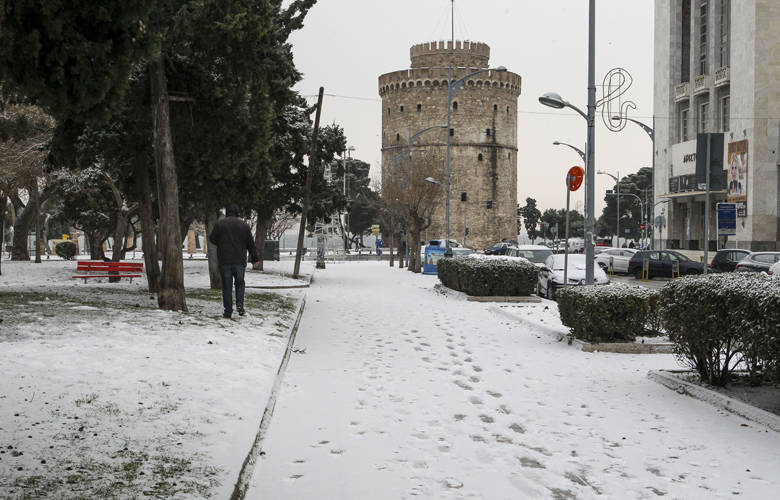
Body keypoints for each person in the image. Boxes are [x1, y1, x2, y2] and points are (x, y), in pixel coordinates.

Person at [209, 204, 260, 318]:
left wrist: (222, 243)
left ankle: (228, 311)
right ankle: (240, 306)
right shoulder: (244, 226)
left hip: (225, 261)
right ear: (237, 213)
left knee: (227, 286)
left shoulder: (220, 224)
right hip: (239, 261)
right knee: (240, 284)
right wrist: (255, 259)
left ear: (227, 212)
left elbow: (212, 239)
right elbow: (250, 244)